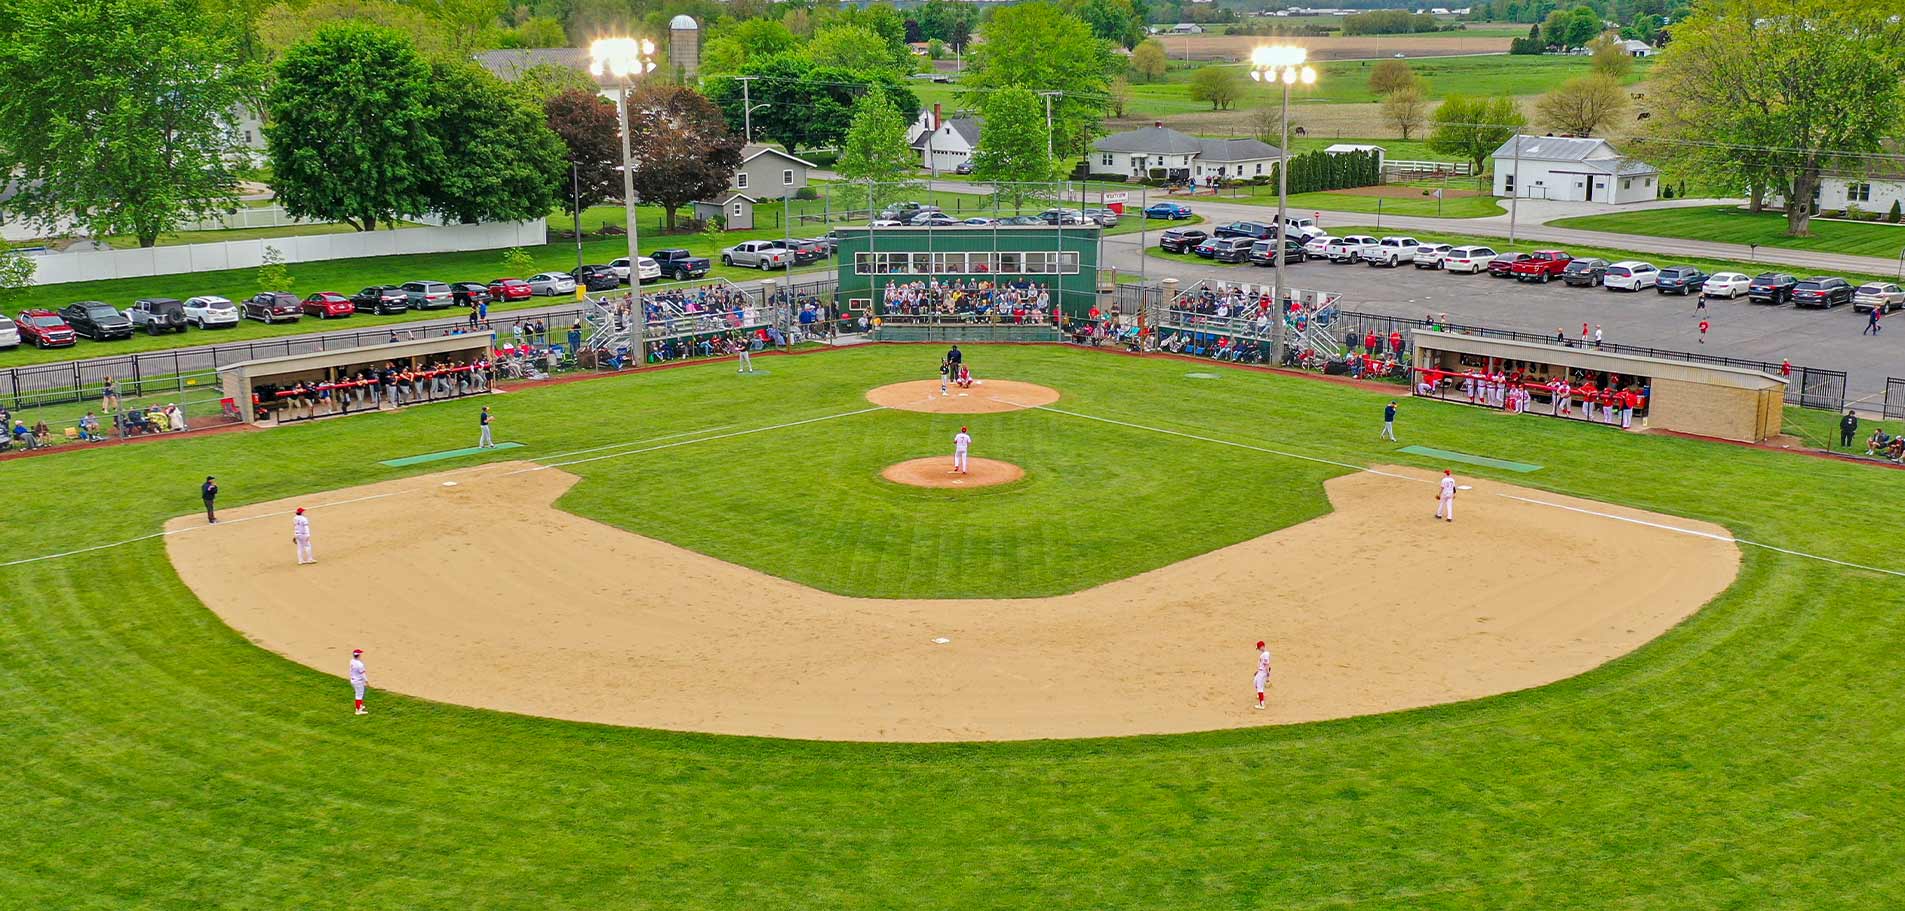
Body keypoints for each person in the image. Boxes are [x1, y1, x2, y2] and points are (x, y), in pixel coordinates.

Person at [1252, 641, 1272, 710]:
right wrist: (1257, 671)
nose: (1258, 649)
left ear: (1262, 646)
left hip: (1263, 672)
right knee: (1255, 682)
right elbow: (1262, 664)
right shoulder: (1263, 654)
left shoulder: (1266, 654)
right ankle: (1259, 695)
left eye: (1258, 648)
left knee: (1260, 687)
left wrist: (1267, 675)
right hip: (1260, 672)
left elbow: (1266, 665)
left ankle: (1261, 704)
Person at [349, 648, 369, 715]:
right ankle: (358, 711)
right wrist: (366, 681)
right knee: (359, 696)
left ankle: (359, 706)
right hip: (358, 682)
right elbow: (363, 674)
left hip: (353, 680)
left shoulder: (352, 661)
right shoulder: (360, 664)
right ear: (359, 655)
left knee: (358, 694)